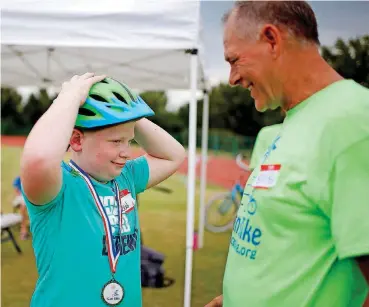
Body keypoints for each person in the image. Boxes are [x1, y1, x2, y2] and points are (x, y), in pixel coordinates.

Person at [206, 1, 369, 306]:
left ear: (271, 39)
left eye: (234, 60)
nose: (232, 78)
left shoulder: (354, 122)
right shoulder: (283, 127)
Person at [20, 73, 185, 307]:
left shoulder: (125, 177)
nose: (126, 152)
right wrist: (69, 98)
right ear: (76, 140)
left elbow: (174, 155)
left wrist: (128, 116)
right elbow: (38, 159)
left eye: (130, 141)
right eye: (116, 142)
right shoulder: (59, 187)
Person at [12, 176, 29, 240]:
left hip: (30, 198)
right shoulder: (18, 179)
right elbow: (17, 192)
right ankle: (23, 230)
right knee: (23, 207)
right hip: (21, 198)